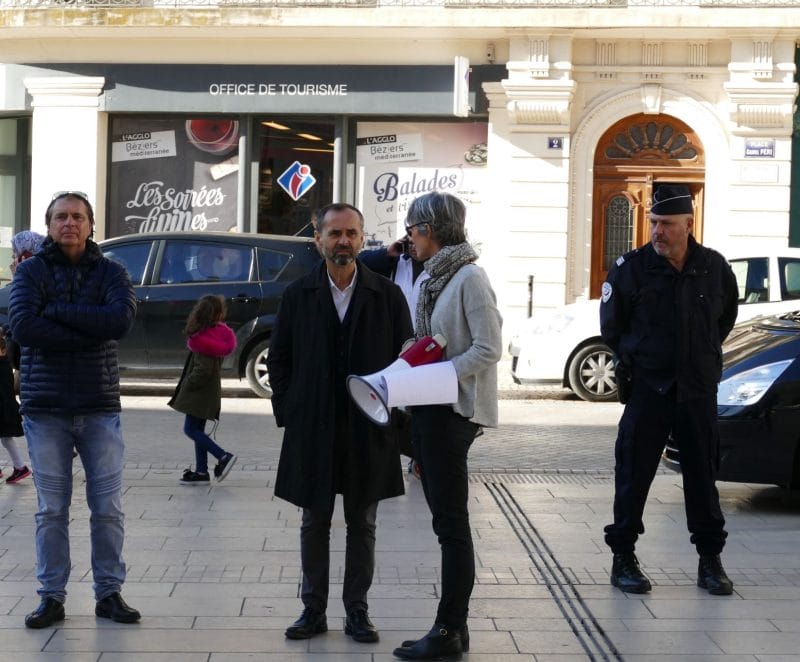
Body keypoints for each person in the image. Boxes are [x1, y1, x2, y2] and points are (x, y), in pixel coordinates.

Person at [267, 202, 413, 644]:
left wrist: (390, 416)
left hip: (368, 429)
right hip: (313, 428)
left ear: (363, 238)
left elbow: (404, 362)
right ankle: (312, 610)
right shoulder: (298, 294)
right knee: (314, 521)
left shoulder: (387, 295)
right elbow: (280, 359)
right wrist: (292, 411)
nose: (343, 241)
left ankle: (357, 612)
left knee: (362, 524)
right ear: (318, 240)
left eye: (351, 233)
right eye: (334, 234)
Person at [599, 183, 739, 597]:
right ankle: (623, 558)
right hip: (648, 391)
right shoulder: (630, 269)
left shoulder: (714, 268)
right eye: (654, 223)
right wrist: (644, 359)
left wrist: (696, 358)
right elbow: (613, 329)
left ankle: (710, 562)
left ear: (688, 225)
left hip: (696, 391)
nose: (658, 232)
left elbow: (723, 321)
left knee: (702, 477)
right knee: (633, 476)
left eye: (667, 224)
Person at [9, 191, 140, 628]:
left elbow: (119, 323)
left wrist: (59, 312)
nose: (70, 223)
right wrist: (88, 327)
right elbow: (25, 326)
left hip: (99, 405)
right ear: (49, 225)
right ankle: (51, 596)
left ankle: (109, 593)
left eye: (78, 217)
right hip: (45, 410)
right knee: (51, 509)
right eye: (61, 217)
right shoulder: (30, 272)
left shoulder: (112, 271)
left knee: (108, 508)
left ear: (90, 225)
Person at [392, 191, 502, 661]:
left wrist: (439, 372)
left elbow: (488, 348)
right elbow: (429, 340)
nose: (408, 239)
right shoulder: (432, 279)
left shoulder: (469, 278)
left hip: (453, 413)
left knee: (451, 526)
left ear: (430, 231)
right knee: (445, 522)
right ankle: (454, 630)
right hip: (429, 407)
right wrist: (407, 356)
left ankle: (448, 628)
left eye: (412, 230)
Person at [360, 236, 430, 478]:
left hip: (428, 347)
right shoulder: (396, 262)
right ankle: (408, 456)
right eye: (410, 233)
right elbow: (356, 264)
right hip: (396, 344)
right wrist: (386, 253)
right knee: (393, 408)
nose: (413, 240)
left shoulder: (440, 266)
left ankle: (422, 457)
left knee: (421, 407)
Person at [168, 294, 237, 484]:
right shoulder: (219, 334)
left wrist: (188, 384)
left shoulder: (203, 339)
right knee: (198, 430)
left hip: (198, 394)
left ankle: (223, 456)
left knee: (190, 430)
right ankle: (201, 472)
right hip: (207, 393)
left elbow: (202, 371)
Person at [0, 327, 29, 484]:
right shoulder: (4, 363)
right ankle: (20, 467)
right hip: (5, 407)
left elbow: (5, 390)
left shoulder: (2, 365)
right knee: (5, 439)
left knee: (6, 439)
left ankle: (20, 467)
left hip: (4, 407)